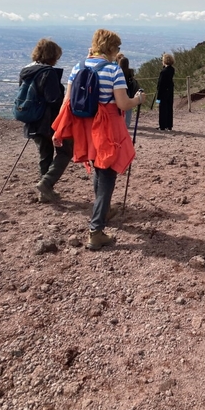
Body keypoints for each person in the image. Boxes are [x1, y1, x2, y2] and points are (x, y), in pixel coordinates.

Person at [52, 29, 146, 250]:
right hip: (106, 129)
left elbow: (68, 101)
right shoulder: (114, 70)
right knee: (107, 175)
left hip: (84, 129)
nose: (118, 52)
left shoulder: (78, 67)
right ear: (111, 48)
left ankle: (102, 212)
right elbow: (123, 104)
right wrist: (138, 99)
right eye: (118, 47)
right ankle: (96, 230)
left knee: (98, 169)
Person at [18, 39, 73, 203]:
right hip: (49, 121)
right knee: (66, 152)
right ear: (52, 55)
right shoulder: (48, 73)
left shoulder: (26, 70)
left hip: (32, 120)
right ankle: (46, 183)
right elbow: (54, 99)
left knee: (45, 155)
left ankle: (45, 192)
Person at [119, 57, 140, 128]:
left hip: (121, 91)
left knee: (119, 108)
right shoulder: (130, 72)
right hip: (129, 91)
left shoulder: (119, 71)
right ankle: (127, 123)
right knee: (129, 108)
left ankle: (120, 122)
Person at [156, 53, 175, 131]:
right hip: (170, 91)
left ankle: (162, 126)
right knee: (169, 108)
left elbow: (160, 85)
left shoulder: (163, 72)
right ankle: (169, 125)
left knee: (163, 109)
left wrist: (158, 98)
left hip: (163, 93)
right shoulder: (172, 69)